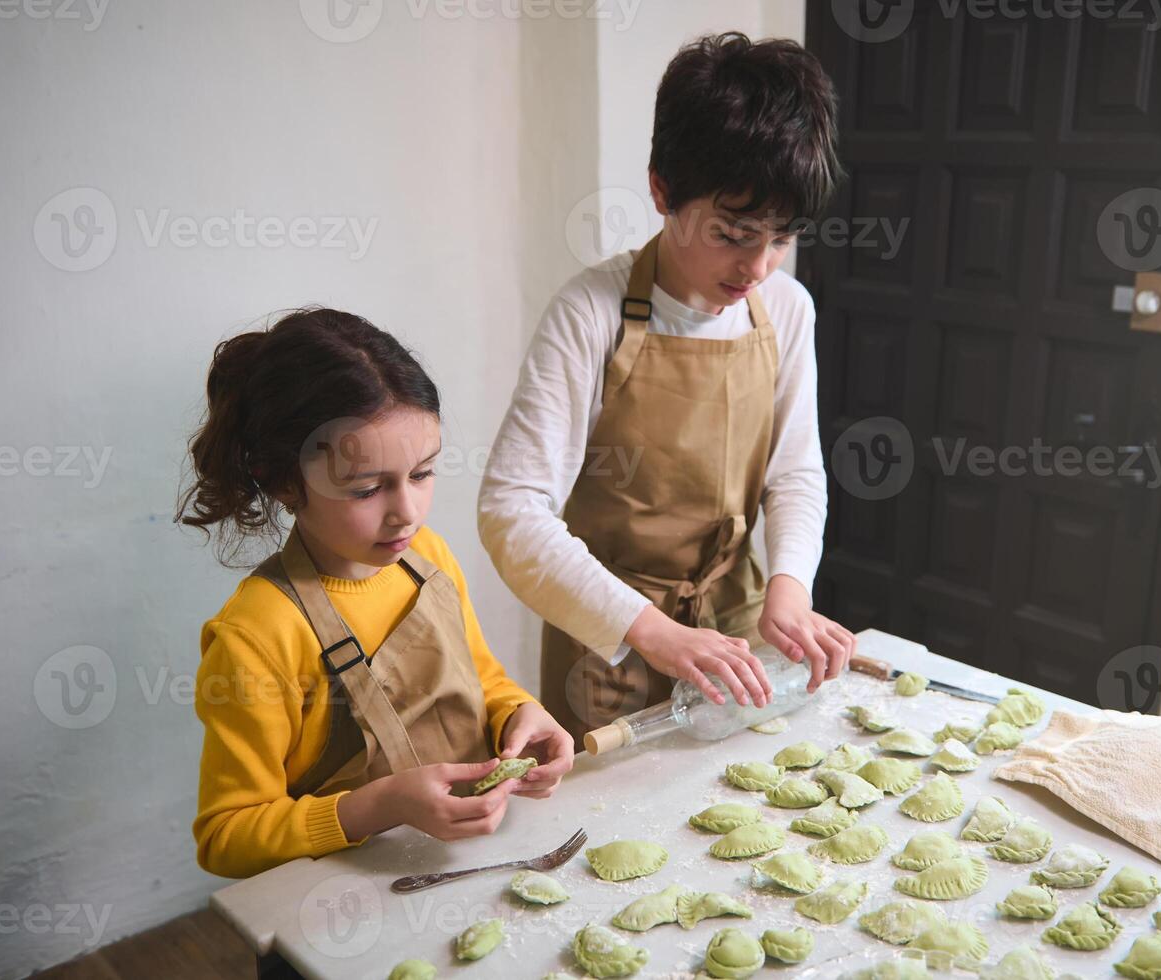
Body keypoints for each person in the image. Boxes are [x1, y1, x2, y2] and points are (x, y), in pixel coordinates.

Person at [479, 33, 856, 746]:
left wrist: (789, 590)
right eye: (733, 232)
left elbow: (795, 472)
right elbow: (511, 512)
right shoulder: (588, 314)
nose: (757, 265)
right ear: (660, 190)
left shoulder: (785, 308)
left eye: (780, 238)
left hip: (737, 628)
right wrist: (651, 632)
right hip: (612, 642)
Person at [180, 308, 573, 878]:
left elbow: (481, 678)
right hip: (338, 909)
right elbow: (225, 837)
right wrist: (380, 805)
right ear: (284, 482)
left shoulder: (427, 557)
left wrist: (521, 712)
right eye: (368, 489)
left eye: (422, 474)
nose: (406, 513)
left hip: (475, 867)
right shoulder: (257, 635)